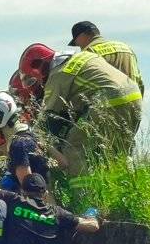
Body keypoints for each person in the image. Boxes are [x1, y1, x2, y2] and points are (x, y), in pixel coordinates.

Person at [18, 42, 142, 176]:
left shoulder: (57, 75)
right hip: (134, 96)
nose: (39, 84)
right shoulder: (83, 56)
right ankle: (128, 183)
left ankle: (81, 188)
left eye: (32, 80)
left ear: (39, 68)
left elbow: (47, 117)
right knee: (119, 150)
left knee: (74, 147)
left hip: (108, 101)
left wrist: (28, 136)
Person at [0, 91, 63, 190]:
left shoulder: (17, 146)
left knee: (7, 184)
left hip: (40, 199)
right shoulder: (31, 134)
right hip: (50, 195)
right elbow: (63, 163)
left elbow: (30, 190)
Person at [68, 21, 144, 95]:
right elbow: (139, 80)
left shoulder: (88, 54)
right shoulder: (126, 48)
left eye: (77, 43)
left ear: (82, 36)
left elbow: (81, 87)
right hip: (135, 98)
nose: (79, 46)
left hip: (109, 101)